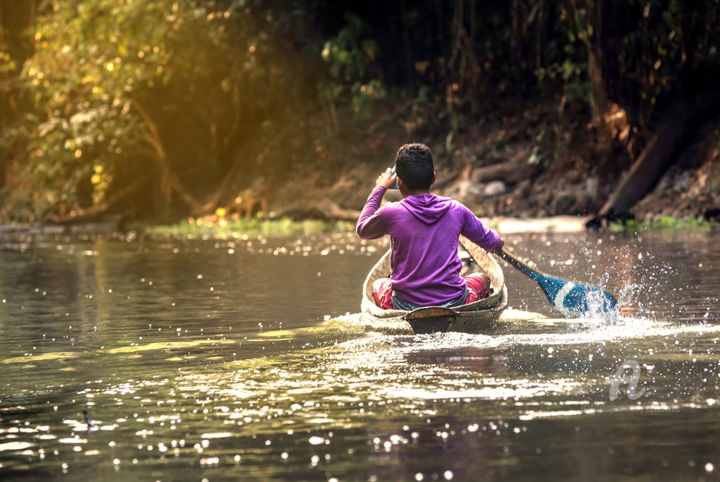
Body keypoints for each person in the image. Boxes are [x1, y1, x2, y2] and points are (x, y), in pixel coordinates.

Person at [356, 143, 504, 311]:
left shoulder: (391, 213)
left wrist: (380, 187)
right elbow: (491, 242)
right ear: (433, 179)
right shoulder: (456, 209)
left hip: (404, 304)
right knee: (484, 279)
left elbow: (362, 228)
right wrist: (499, 241)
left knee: (377, 285)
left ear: (398, 182)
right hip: (455, 301)